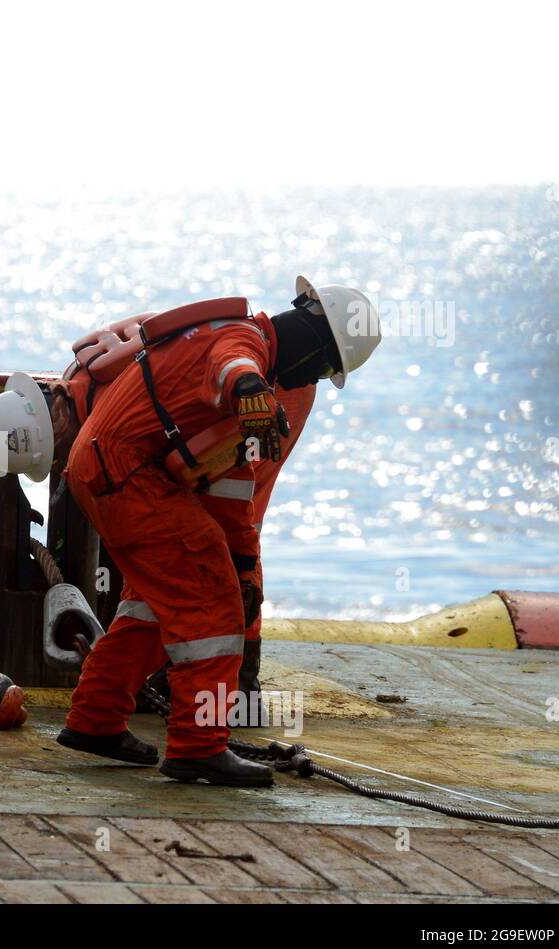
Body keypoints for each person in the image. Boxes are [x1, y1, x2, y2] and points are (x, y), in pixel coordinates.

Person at [41, 278, 381, 786]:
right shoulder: (245, 343)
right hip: (129, 477)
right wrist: (249, 389)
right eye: (325, 366)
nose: (314, 378)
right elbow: (232, 365)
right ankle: (199, 747)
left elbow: (230, 495)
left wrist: (245, 571)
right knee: (212, 607)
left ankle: (95, 720)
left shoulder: (250, 379)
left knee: (153, 607)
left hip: (110, 474)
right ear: (316, 342)